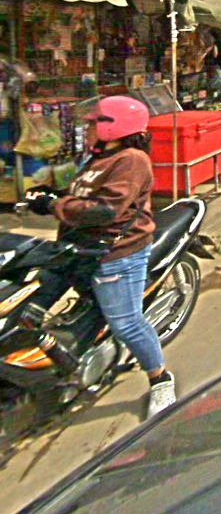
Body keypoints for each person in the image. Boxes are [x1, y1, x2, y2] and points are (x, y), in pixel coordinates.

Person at [23, 96, 177, 419]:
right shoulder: (98, 156)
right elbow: (83, 197)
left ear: (113, 127)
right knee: (33, 301)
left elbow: (106, 210)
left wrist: (53, 206)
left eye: (94, 123)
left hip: (116, 253)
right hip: (80, 247)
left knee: (126, 324)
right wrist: (52, 196)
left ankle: (160, 378)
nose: (88, 128)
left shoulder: (131, 160)